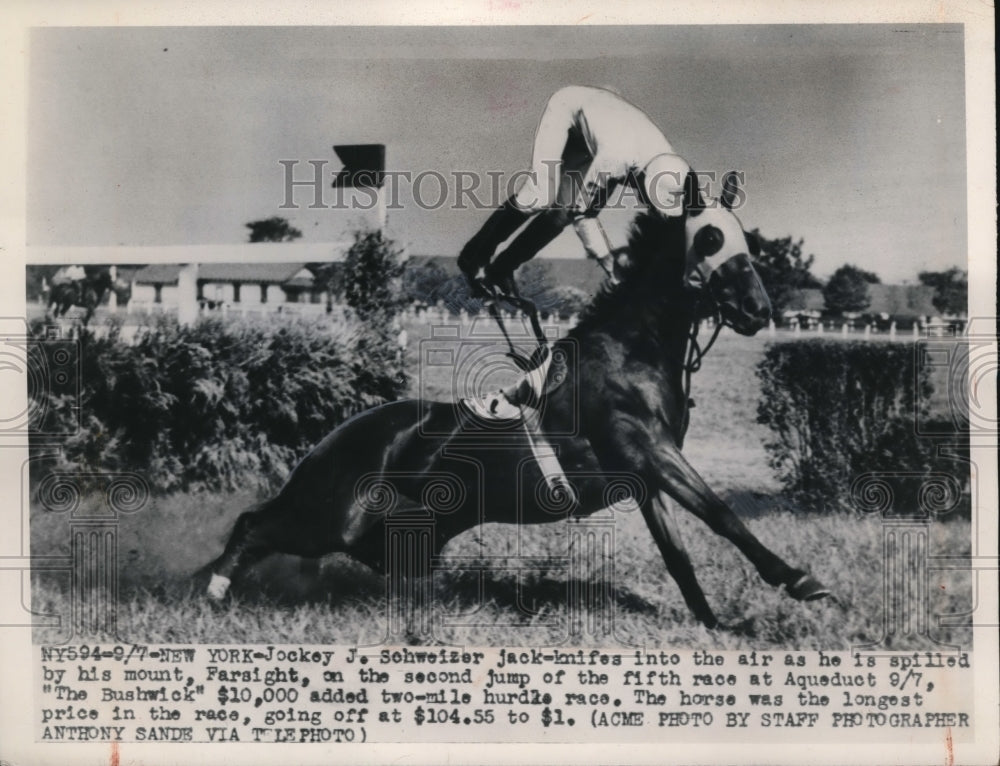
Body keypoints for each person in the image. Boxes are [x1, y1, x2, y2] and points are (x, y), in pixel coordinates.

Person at [458, 85, 704, 296]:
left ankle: (502, 269)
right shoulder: (617, 159)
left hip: (604, 130)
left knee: (560, 215)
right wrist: (610, 267)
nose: (641, 199)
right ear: (643, 178)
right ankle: (474, 256)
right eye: (644, 195)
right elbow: (584, 216)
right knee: (539, 196)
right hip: (569, 107)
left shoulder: (668, 162)